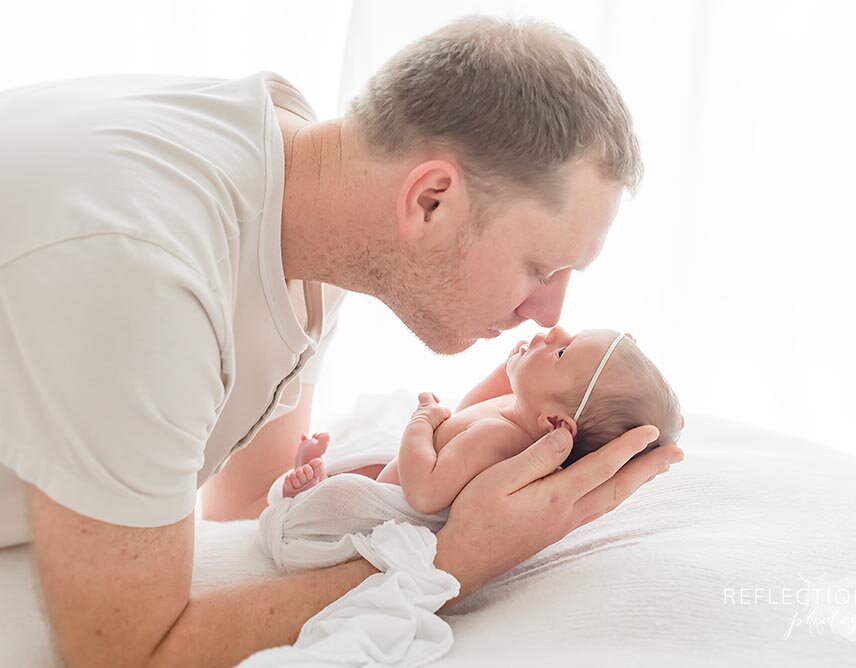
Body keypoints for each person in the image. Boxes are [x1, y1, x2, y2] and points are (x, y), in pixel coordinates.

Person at [0, 15, 683, 667]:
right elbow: (126, 654)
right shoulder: (147, 272)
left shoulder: (307, 191)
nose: (548, 312)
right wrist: (454, 564)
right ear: (430, 201)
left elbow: (249, 504)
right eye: (542, 268)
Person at [282, 326, 685, 518]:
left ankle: (306, 494)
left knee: (347, 490)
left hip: (380, 503)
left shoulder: (498, 441)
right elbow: (469, 412)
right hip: (390, 472)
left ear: (554, 422)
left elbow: (423, 491)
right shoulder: (522, 415)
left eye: (562, 353)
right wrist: (510, 370)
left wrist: (421, 422)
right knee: (362, 457)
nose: (555, 332)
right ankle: (317, 473)